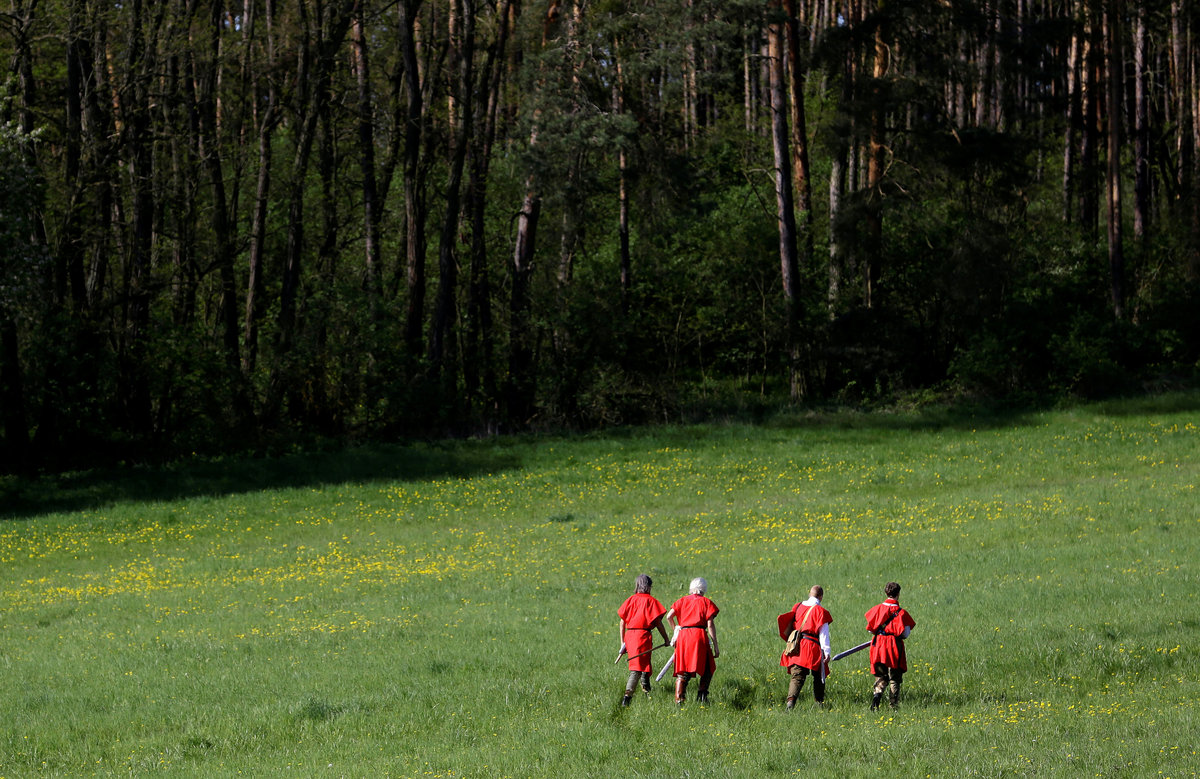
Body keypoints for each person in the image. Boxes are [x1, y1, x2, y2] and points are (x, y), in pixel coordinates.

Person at [664, 577, 720, 706]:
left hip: (683, 637)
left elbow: (669, 616)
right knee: (708, 666)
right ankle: (702, 697)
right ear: (703, 589)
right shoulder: (706, 602)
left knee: (684, 668)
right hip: (698, 635)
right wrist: (716, 645)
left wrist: (676, 629)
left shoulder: (682, 600)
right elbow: (710, 625)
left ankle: (679, 700)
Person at [617, 574, 670, 706]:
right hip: (642, 637)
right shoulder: (650, 601)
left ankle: (646, 689)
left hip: (630, 636)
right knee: (637, 667)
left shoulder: (630, 600)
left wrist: (623, 642)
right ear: (649, 587)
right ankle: (627, 697)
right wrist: (666, 639)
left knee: (644, 662)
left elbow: (622, 623)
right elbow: (658, 623)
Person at [778, 585, 833, 710]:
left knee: (797, 676)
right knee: (819, 675)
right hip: (812, 647)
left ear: (809, 594)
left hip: (797, 646)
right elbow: (823, 634)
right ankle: (819, 704)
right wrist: (827, 652)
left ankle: (790, 704)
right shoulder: (821, 611)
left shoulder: (797, 606)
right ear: (821, 597)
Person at [864, 581, 916, 711]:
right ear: (898, 594)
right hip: (893, 647)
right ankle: (893, 706)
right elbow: (905, 634)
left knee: (881, 676)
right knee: (894, 678)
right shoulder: (901, 613)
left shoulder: (877, 609)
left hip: (878, 645)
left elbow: (870, 630)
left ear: (886, 593)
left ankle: (876, 697)